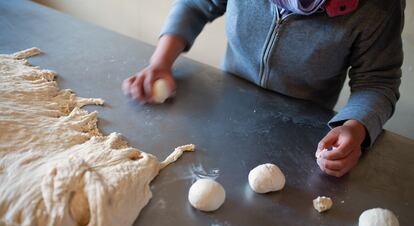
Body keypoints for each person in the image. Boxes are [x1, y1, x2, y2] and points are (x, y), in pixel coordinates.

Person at [122, 0, 405, 177]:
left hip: (302, 141)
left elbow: (378, 81)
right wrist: (160, 63)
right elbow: (196, 4)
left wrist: (355, 128)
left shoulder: (379, 8)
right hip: (225, 114)